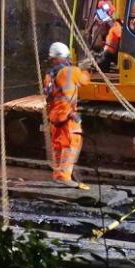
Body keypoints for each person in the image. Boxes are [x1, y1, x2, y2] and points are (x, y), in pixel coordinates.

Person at [44, 42, 90, 190]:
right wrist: (86, 68)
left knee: (58, 146)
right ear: (65, 56)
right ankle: (64, 177)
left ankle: (58, 176)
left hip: (55, 116)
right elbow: (85, 81)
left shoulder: (49, 74)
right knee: (72, 144)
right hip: (67, 115)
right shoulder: (70, 71)